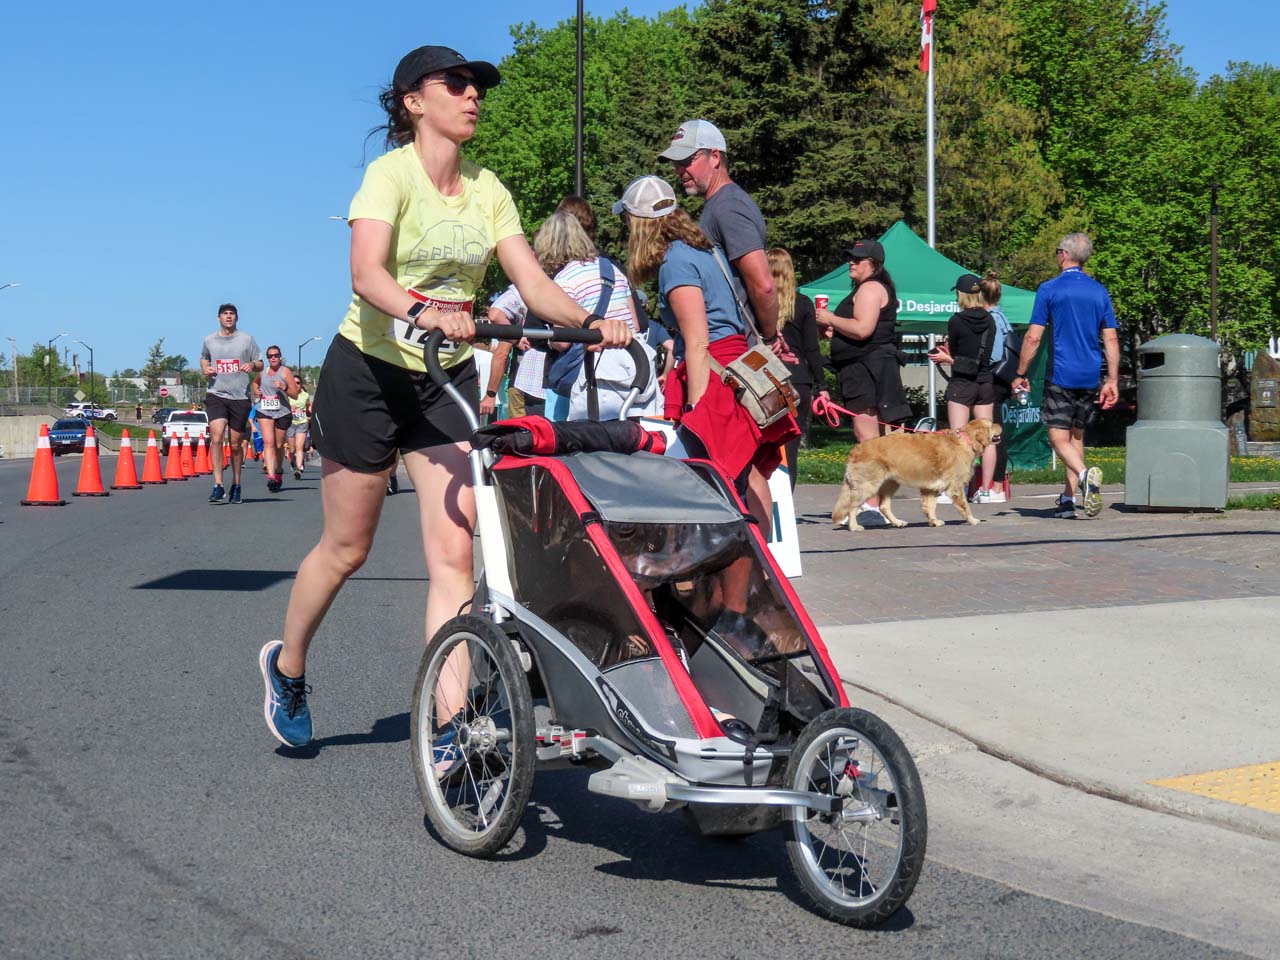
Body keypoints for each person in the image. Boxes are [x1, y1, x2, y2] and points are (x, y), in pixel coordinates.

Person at [258, 44, 631, 752]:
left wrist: (593, 322)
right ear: (414, 101)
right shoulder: (389, 176)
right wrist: (425, 311)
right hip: (369, 372)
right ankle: (289, 667)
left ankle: (450, 722)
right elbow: (366, 273)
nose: (471, 94)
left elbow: (533, 285)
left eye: (475, 85)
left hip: (445, 375)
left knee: (454, 554)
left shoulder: (489, 190)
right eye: (455, 84)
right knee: (347, 548)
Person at [619, 174, 798, 648]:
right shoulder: (703, 249)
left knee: (708, 492)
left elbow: (697, 341)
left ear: (640, 225)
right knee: (746, 482)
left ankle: (720, 611)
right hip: (741, 369)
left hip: (715, 377)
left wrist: (699, 411)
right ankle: (750, 592)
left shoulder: (675, 262)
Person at [1012, 233, 1119, 519]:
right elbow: (1111, 339)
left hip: (1061, 372)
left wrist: (1021, 372)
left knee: (1057, 438)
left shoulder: (1049, 289)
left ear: (1063, 254)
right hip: (1090, 374)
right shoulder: (1099, 291)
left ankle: (1084, 476)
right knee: (1076, 437)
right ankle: (1069, 500)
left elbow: (1033, 337)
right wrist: (1112, 380)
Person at [814, 239, 912, 522]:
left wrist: (830, 318)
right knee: (871, 439)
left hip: (868, 369)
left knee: (867, 439)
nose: (851, 262)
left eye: (858, 259)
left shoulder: (870, 288)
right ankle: (873, 504)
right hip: (863, 368)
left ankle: (870, 506)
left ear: (874, 264)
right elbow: (857, 330)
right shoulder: (863, 289)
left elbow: (863, 329)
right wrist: (835, 332)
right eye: (850, 257)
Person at [659, 120, 778, 344]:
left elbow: (764, 286)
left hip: (737, 349)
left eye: (685, 161)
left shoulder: (728, 207)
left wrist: (770, 337)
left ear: (714, 157)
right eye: (676, 163)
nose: (678, 170)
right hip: (733, 347)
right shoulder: (720, 205)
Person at [533, 211, 657, 421]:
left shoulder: (564, 280)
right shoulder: (613, 270)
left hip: (594, 373)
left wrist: (549, 339)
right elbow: (635, 324)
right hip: (632, 364)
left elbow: (562, 342)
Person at [928, 273, 998, 500]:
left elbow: (958, 353)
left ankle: (955, 490)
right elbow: (984, 355)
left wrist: (947, 358)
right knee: (987, 438)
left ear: (961, 294)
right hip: (985, 381)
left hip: (962, 383)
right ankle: (985, 490)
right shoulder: (990, 320)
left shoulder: (956, 321)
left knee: (959, 439)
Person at [766, 247, 828, 490]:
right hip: (798, 381)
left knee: (763, 447)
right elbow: (812, 349)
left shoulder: (758, 302)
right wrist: (822, 385)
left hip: (766, 379)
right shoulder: (802, 304)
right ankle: (786, 504)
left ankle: (763, 502)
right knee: (790, 450)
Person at [198, 303, 262, 505]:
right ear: (219, 318)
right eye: (225, 314)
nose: (228, 317)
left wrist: (252, 364)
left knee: (235, 444)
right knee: (216, 437)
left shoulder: (246, 339)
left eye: (232, 314)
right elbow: (203, 358)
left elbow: (260, 363)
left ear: (236, 318)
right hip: (216, 394)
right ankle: (218, 485)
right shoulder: (210, 340)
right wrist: (205, 368)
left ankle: (236, 484)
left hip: (240, 397)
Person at [253, 346, 300, 492]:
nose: (273, 358)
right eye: (270, 356)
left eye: (276, 355)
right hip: (265, 410)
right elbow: (255, 383)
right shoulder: (263, 372)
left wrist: (283, 387)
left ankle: (279, 469)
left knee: (279, 445)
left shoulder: (285, 372)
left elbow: (295, 394)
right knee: (268, 442)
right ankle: (271, 476)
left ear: (280, 356)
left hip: (282, 412)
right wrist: (256, 390)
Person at [287, 378, 312, 480]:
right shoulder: (287, 394)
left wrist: (312, 413)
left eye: (298, 383)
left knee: (299, 447)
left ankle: (298, 468)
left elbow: (308, 406)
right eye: (293, 383)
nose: (296, 384)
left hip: (302, 423)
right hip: (290, 423)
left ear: (301, 385)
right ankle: (293, 462)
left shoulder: (305, 395)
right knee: (292, 449)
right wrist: (290, 409)